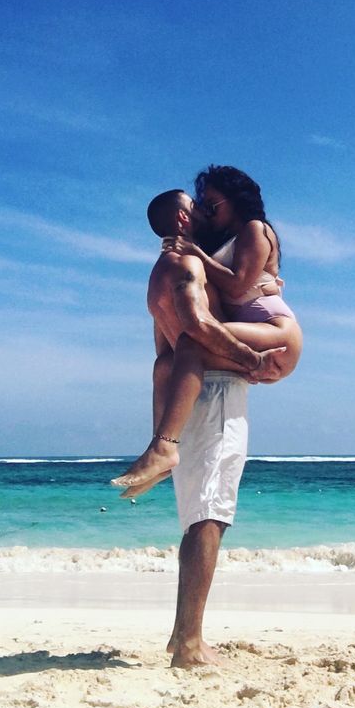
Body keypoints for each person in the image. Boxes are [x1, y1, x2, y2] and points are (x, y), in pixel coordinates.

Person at [121, 188, 287, 667]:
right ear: (181, 216)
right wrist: (250, 358)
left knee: (198, 516)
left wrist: (162, 428)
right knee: (211, 514)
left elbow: (163, 356)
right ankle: (191, 645)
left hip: (186, 395)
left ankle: (181, 635)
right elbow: (195, 324)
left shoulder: (160, 273)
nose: (206, 213)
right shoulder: (188, 265)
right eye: (198, 207)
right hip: (213, 392)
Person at [112, 166, 302, 496]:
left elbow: (239, 282)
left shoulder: (254, 229)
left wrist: (195, 251)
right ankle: (158, 457)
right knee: (164, 367)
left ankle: (165, 446)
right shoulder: (216, 242)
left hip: (276, 330)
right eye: (202, 205)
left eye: (212, 205)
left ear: (236, 200)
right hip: (247, 330)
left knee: (191, 341)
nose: (206, 211)